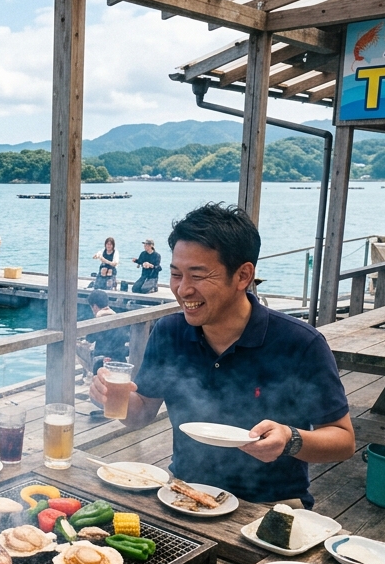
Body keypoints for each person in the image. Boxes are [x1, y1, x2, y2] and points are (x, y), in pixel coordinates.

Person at [89, 203, 355, 508]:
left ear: (243, 276)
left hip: (272, 504)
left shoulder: (300, 343)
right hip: (185, 494)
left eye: (198, 276)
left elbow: (343, 440)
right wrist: (113, 398)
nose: (183, 290)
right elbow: (142, 413)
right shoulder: (169, 332)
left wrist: (290, 438)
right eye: (176, 274)